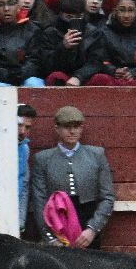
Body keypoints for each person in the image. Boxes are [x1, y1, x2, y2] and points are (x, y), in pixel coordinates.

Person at [29, 105, 114, 249]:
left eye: (77, 126)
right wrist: (50, 239)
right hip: (56, 225)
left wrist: (93, 229)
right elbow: (39, 202)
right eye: (67, 126)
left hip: (87, 223)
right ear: (57, 129)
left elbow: (108, 197)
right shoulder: (42, 159)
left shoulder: (97, 155)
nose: (72, 131)